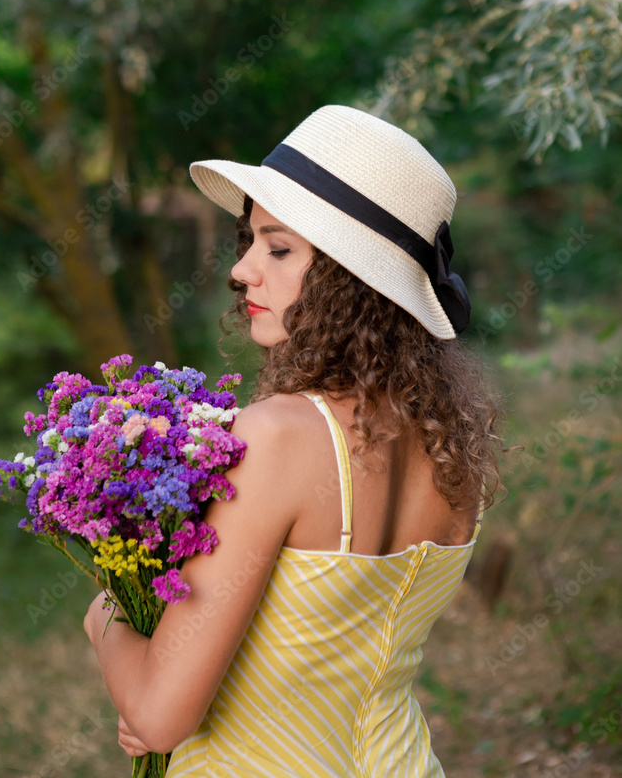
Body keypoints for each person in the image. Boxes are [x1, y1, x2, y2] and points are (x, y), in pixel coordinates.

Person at [84, 103, 503, 776]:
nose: (242, 271)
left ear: (347, 279)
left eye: (278, 248)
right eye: (250, 242)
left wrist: (106, 611)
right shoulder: (451, 448)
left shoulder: (276, 436)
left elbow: (160, 717)